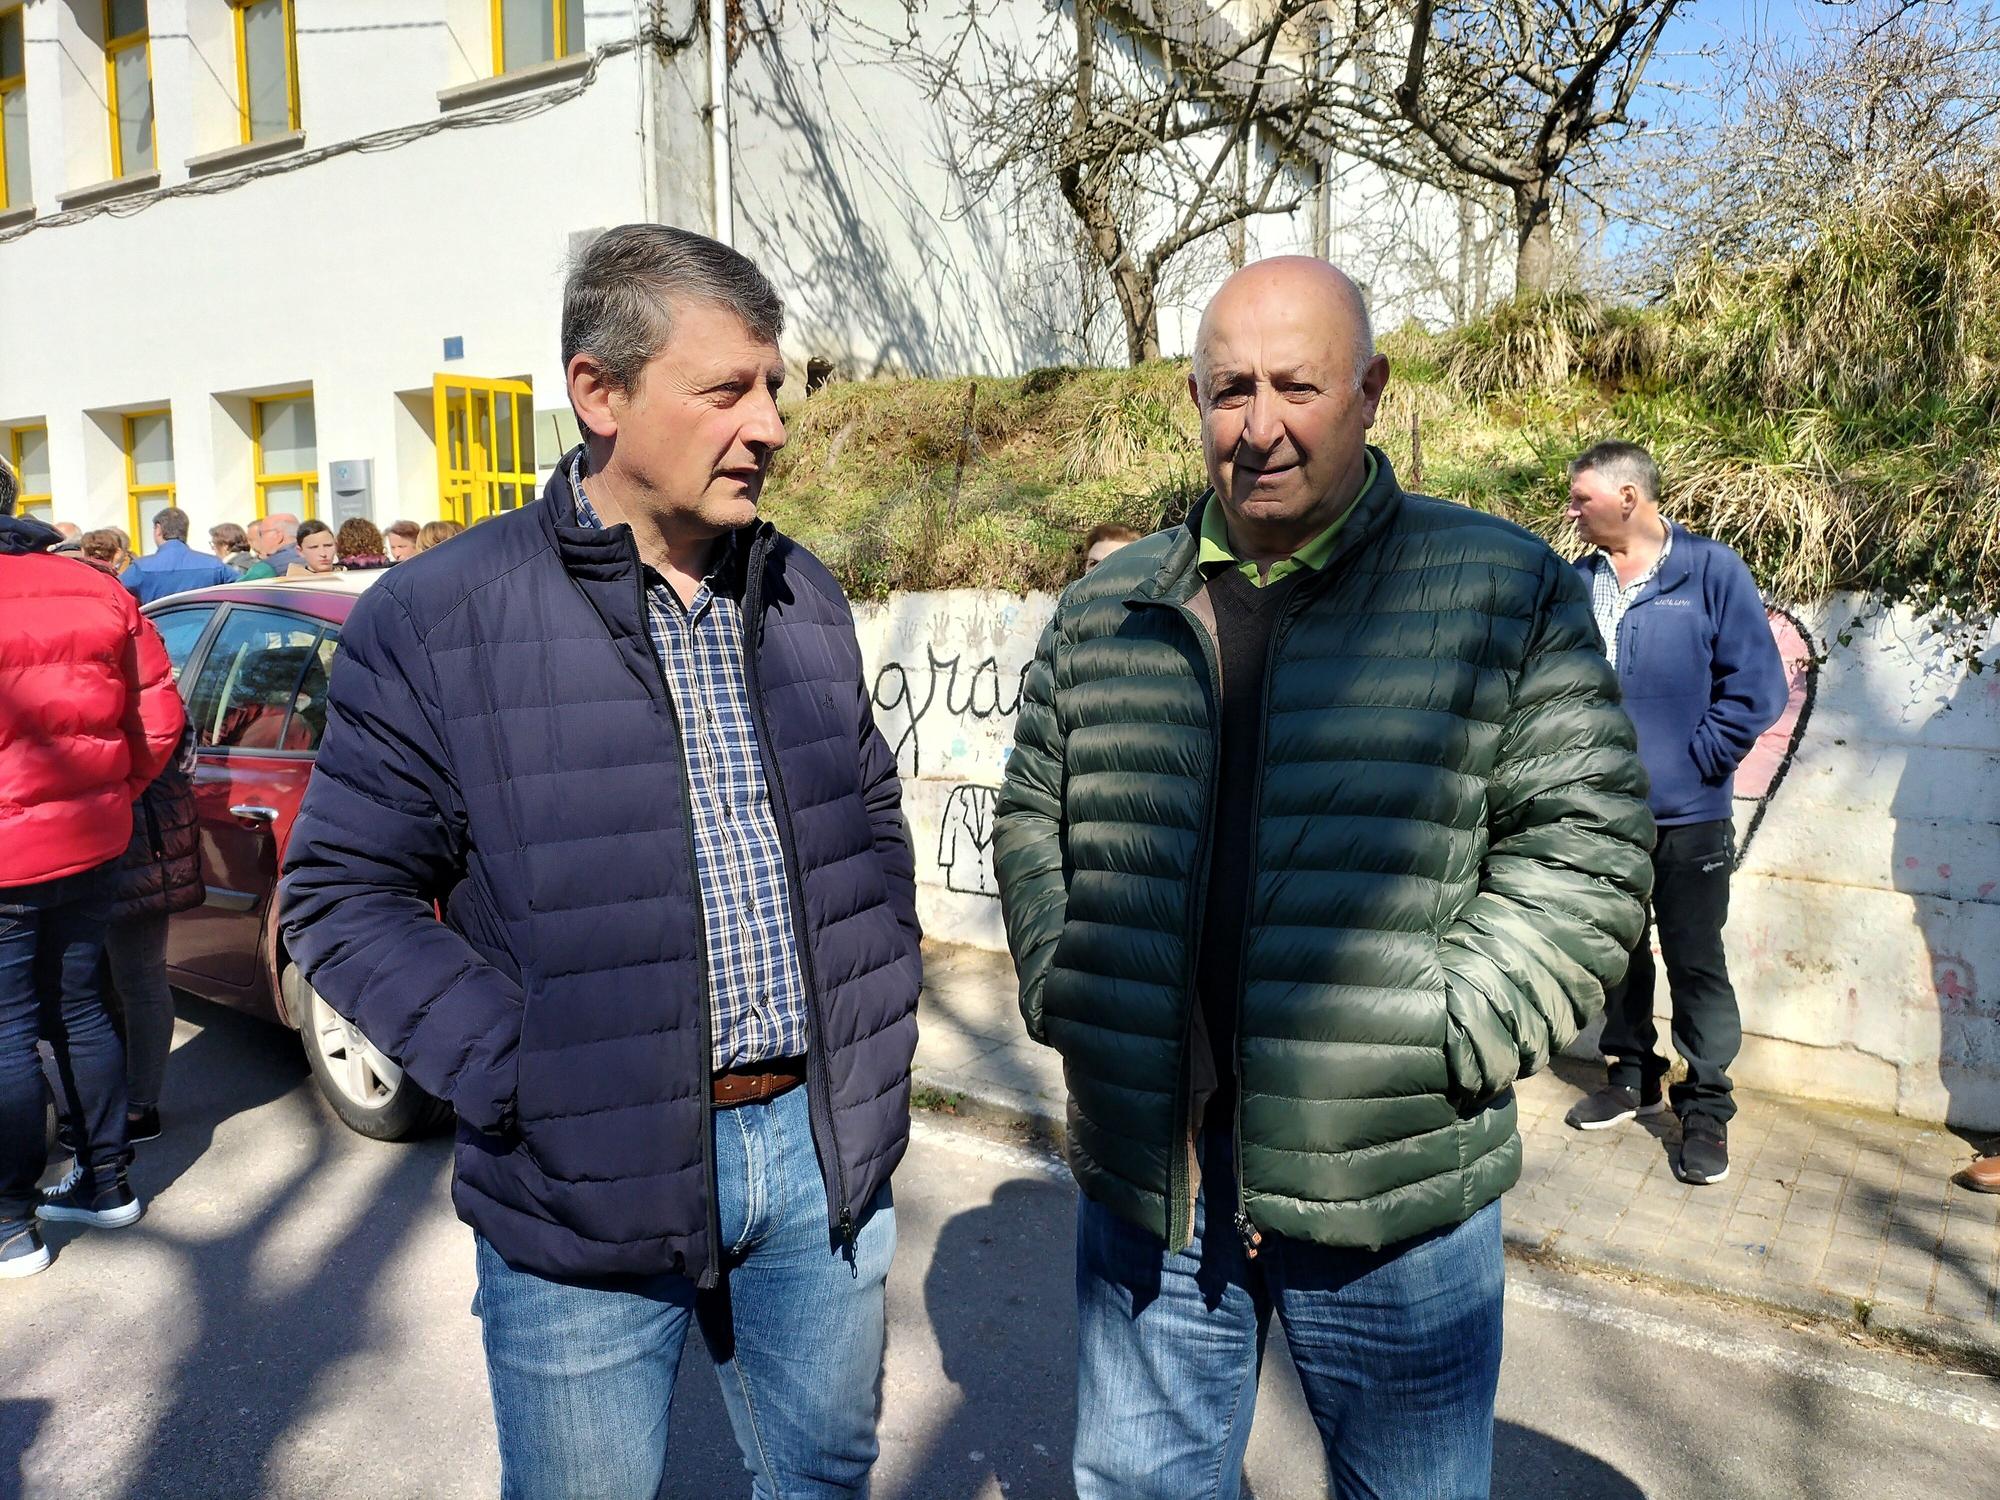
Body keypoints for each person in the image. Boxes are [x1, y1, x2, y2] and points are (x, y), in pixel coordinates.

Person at [991, 256, 1654, 1500]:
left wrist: (1449, 1029)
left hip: (1391, 1182)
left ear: (1370, 391)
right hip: (1157, 1172)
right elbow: (1034, 809)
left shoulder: (1494, 591)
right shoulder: (1108, 607)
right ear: (1192, 399)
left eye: (1297, 384)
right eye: (1227, 389)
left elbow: (1587, 844)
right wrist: (1066, 980)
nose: (1259, 425)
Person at [279, 224, 922, 1498]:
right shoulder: (440, 617)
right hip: (576, 1187)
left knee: (823, 1485)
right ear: (599, 393)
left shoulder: (803, 595)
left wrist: (878, 1019)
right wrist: (523, 1070)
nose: (770, 426)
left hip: (820, 1159)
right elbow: (341, 897)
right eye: (726, 389)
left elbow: (871, 828)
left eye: (774, 387)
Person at [1561, 441, 1788, 1186]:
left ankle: (1707, 1106)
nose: (1570, 509)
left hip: (1690, 817)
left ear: (1629, 497)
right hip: (1599, 812)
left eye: (1583, 497)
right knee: (1616, 953)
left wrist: (1697, 762)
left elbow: (1757, 687)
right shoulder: (1574, 583)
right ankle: (1630, 1075)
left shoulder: (1711, 572)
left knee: (1695, 960)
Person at [0, 465, 185, 1278]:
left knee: (9, 1027)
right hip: (90, 838)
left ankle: (10, 1221)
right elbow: (158, 716)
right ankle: (105, 1183)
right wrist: (109, 796)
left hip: (22, 849)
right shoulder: (94, 588)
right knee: (77, 1007)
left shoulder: (94, 588)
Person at [101, 722, 201, 1144]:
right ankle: (117, 1099)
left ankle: (140, 1108)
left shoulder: (147, 699)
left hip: (139, 848)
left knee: (140, 979)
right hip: (129, 843)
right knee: (107, 981)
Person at [119, 506, 236, 603]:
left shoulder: (140, 568)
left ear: (158, 529)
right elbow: (243, 589)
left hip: (158, 628)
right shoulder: (214, 565)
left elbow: (115, 596)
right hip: (207, 629)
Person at [240, 513, 303, 579]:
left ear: (278, 536)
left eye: (261, 534)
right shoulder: (310, 558)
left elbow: (237, 588)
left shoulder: (266, 568)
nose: (260, 539)